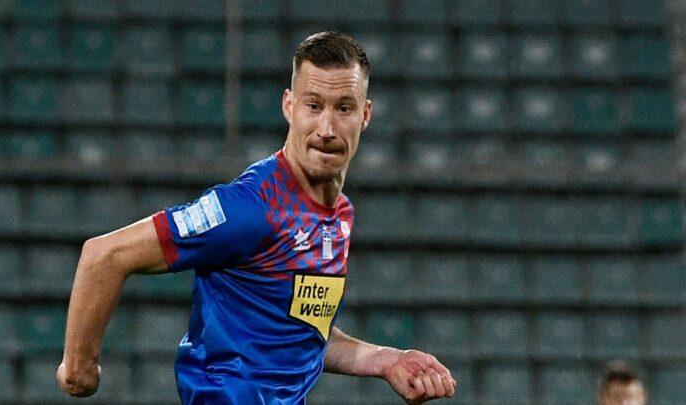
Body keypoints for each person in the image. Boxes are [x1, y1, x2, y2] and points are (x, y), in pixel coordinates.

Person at [57, 31, 457, 404]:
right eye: (313, 106)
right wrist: (79, 369)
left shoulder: (340, 215)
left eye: (344, 108)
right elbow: (105, 255)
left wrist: (387, 360)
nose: (327, 128)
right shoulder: (249, 207)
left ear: (365, 115)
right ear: (289, 106)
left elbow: (297, 335)